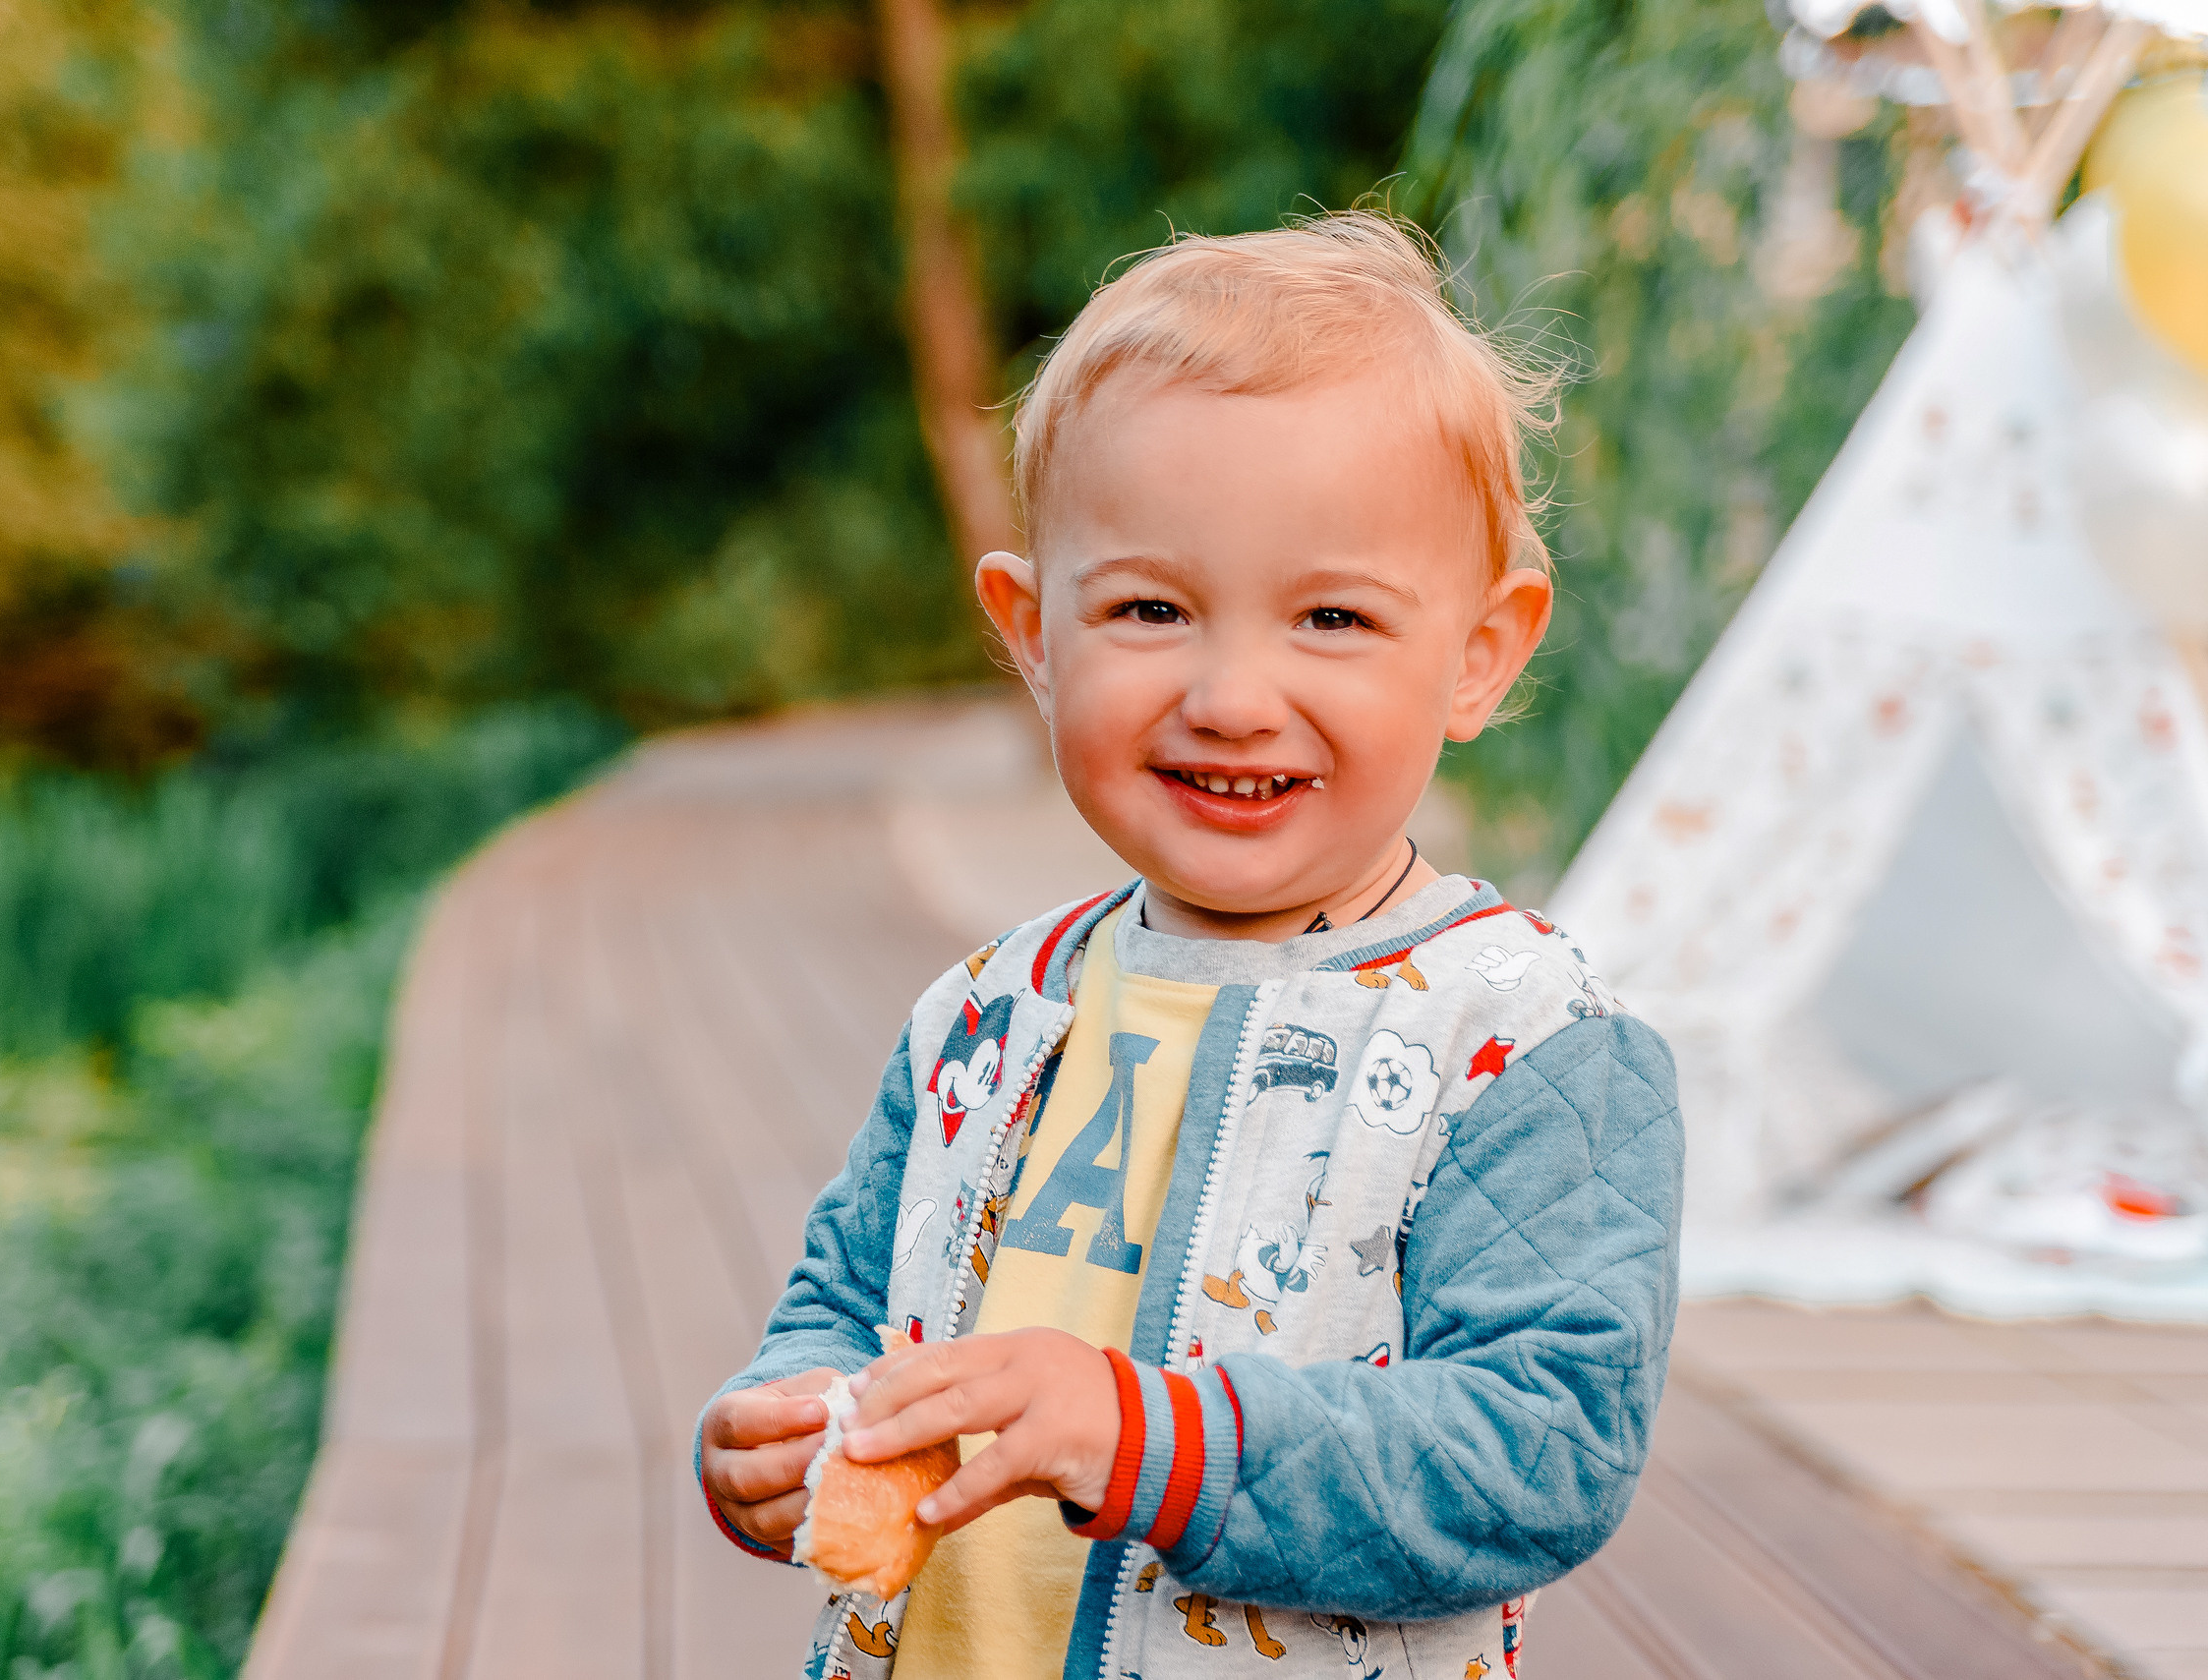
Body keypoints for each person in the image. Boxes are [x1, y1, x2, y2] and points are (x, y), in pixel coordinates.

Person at [695, 209, 1685, 1680]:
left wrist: (1146, 1436)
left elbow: (1542, 1444)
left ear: (1480, 651)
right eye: (1151, 607)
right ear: (1035, 634)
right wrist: (785, 1417)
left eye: (1333, 617)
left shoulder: (1524, 1036)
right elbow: (846, 1295)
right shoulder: (989, 1010)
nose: (1231, 694)